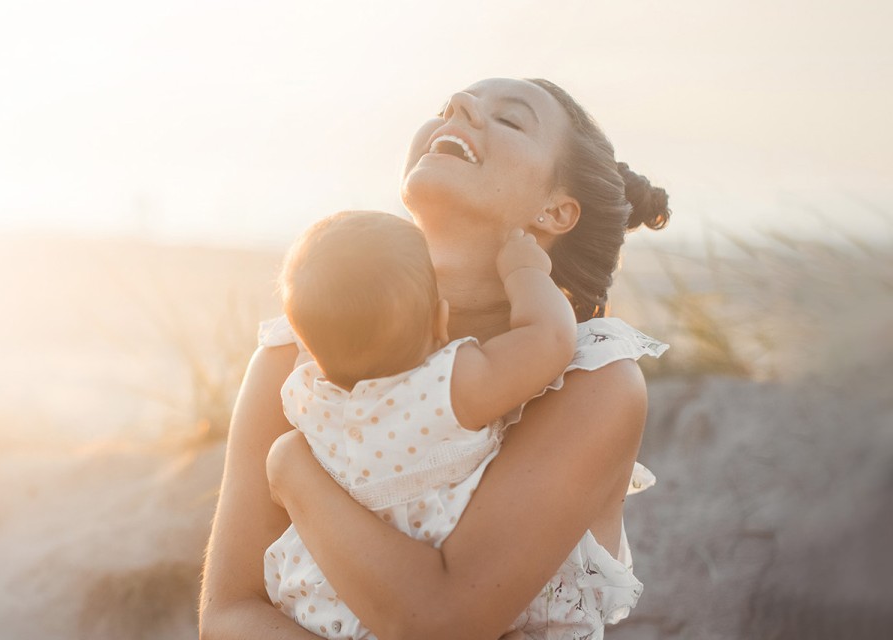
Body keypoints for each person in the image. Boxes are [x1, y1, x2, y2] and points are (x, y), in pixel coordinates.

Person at [199, 77, 672, 640]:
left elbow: (442, 620)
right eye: (449, 106)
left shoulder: (592, 383)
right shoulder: (297, 355)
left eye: (511, 119)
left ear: (556, 211)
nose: (459, 107)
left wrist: (293, 471)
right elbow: (228, 617)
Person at [265, 210, 580, 639]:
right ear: (440, 320)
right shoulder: (447, 388)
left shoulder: (306, 399)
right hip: (427, 599)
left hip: (325, 606)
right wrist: (525, 269)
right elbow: (551, 339)